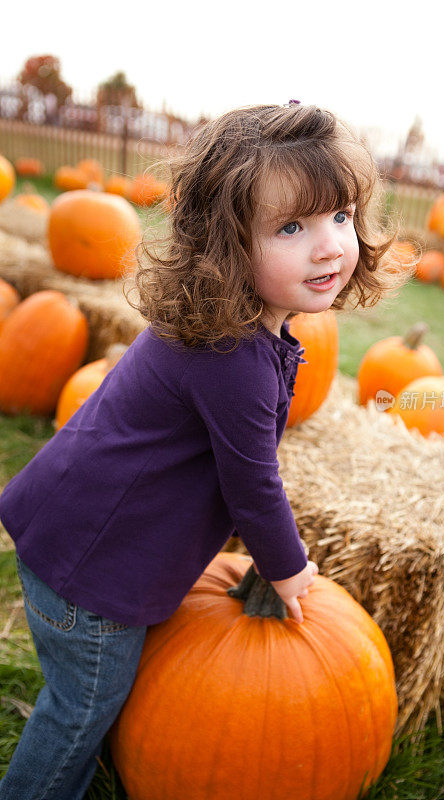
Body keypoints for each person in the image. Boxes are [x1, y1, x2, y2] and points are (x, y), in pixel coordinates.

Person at [0, 102, 403, 799]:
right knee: (80, 709)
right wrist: (289, 570)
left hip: (67, 535)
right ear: (226, 246)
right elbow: (252, 485)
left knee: (86, 699)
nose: (330, 245)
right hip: (88, 574)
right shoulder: (234, 358)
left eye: (339, 216)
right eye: (290, 227)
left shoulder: (231, 328)